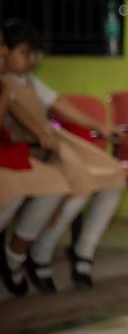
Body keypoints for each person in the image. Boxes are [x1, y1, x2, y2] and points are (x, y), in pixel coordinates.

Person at [1, 19, 126, 290]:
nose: (32, 60)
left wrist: (99, 127)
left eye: (35, 53)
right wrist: (40, 133)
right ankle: (32, 252)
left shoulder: (29, 81)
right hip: (28, 149)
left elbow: (59, 105)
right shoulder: (6, 84)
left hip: (51, 142)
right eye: (24, 52)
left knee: (115, 175)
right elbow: (20, 119)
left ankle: (83, 249)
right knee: (76, 184)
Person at [0, 25, 71, 296]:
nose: (2, 52)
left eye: (4, 47)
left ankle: (16, 254)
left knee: (56, 184)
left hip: (12, 152)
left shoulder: (6, 84)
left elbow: (22, 115)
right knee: (15, 192)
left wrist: (42, 133)